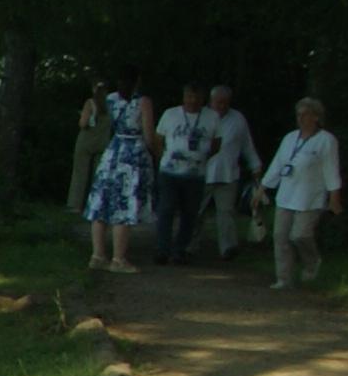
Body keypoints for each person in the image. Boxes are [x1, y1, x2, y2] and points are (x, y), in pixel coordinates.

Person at [267, 96, 346, 286]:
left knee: (300, 235)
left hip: (310, 197)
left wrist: (334, 197)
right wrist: (263, 187)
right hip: (286, 194)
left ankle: (312, 262)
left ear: (316, 117)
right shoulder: (289, 138)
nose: (301, 118)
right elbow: (277, 164)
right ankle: (283, 278)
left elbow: (331, 170)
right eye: (298, 114)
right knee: (280, 236)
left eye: (305, 114)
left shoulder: (326, 140)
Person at [85, 90, 154, 273]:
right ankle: (118, 259)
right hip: (132, 153)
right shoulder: (142, 101)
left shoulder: (111, 99)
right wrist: (154, 152)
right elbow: (148, 135)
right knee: (124, 202)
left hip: (112, 151)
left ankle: (97, 255)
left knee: (102, 201)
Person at [151, 84, 213, 266]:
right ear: (184, 97)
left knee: (190, 213)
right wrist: (163, 158)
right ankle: (162, 249)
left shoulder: (211, 117)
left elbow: (216, 143)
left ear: (202, 99)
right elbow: (158, 139)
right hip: (170, 172)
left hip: (195, 174)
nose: (193, 101)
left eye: (197, 97)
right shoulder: (170, 114)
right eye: (189, 97)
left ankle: (180, 250)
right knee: (166, 208)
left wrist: (201, 158)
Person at [205, 84, 265, 263]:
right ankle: (188, 247)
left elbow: (247, 145)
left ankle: (228, 248)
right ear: (211, 101)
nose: (222, 106)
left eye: (225, 102)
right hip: (203, 173)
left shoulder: (238, 119)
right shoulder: (202, 117)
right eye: (218, 102)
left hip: (228, 174)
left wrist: (255, 166)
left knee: (226, 212)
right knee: (195, 212)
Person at [69, 83, 112, 221]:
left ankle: (75, 205)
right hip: (103, 141)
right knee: (98, 174)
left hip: (87, 140)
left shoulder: (90, 103)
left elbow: (83, 123)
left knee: (80, 173)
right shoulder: (111, 104)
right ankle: (96, 203)